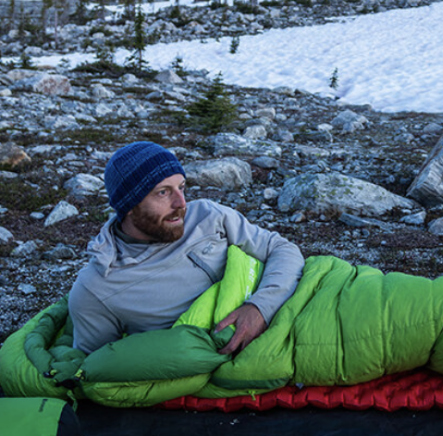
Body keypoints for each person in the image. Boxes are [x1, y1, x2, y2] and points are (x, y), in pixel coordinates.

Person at [68, 142, 305, 355]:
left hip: (288, 312)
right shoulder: (97, 288)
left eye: (181, 187)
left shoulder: (208, 215)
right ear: (129, 205)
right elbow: (99, 369)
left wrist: (259, 308)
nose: (181, 204)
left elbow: (282, 249)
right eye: (163, 192)